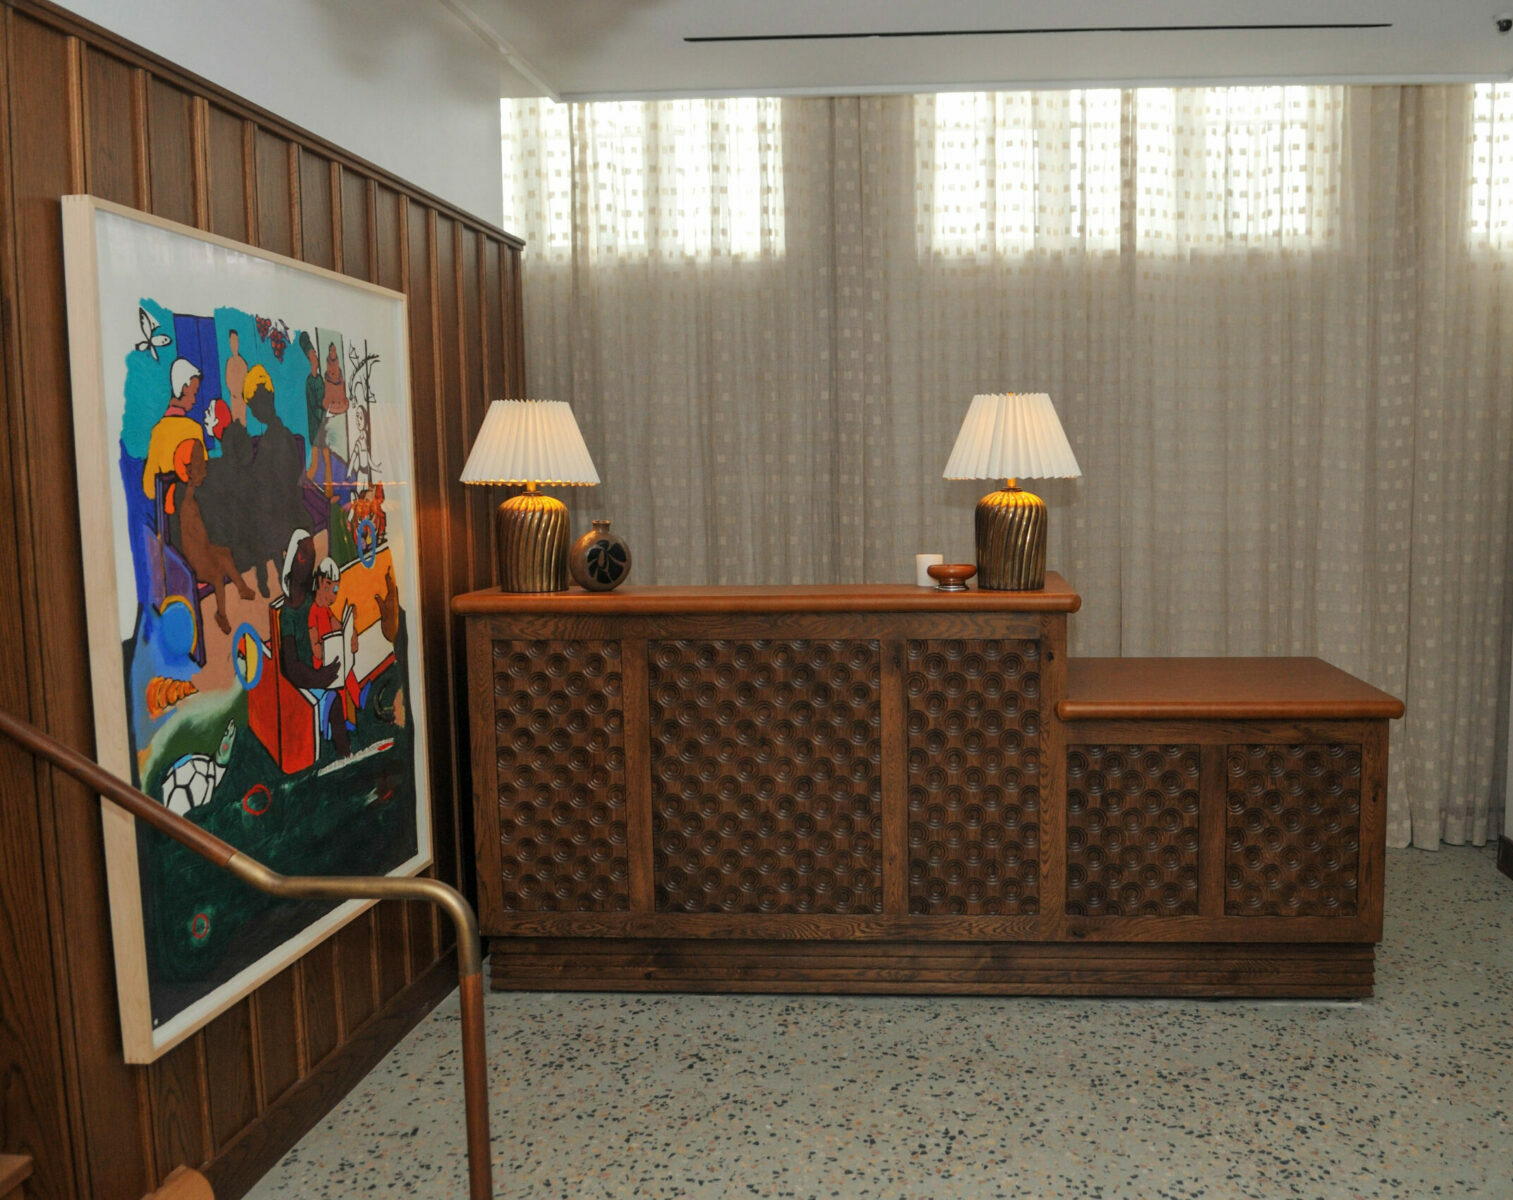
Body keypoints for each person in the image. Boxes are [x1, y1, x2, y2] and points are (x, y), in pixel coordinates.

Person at [169, 439, 254, 634]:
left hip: (204, 547)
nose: (204, 473)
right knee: (217, 576)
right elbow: (186, 538)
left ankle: (241, 588)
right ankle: (221, 614)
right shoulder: (182, 497)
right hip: (194, 557)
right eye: (198, 469)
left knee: (225, 554)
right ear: (188, 471)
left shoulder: (194, 494)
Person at [142, 357, 204, 508]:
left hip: (169, 511)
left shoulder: (158, 431)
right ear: (184, 388)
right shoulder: (194, 429)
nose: (195, 400)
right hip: (193, 508)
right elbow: (203, 477)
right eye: (194, 393)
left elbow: (149, 488)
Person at [300, 331, 333, 498]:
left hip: (323, 426)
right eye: (314, 355)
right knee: (314, 463)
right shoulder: (310, 381)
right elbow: (313, 405)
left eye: (316, 355)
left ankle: (328, 493)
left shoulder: (319, 379)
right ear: (310, 359)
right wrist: (323, 408)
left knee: (327, 461)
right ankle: (303, 492)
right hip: (315, 427)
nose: (316, 358)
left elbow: (324, 400)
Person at [223, 329, 248, 426]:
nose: (234, 344)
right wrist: (234, 393)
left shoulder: (242, 362)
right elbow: (228, 380)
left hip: (241, 399)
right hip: (234, 398)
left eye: (235, 341)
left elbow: (245, 380)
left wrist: (240, 393)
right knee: (235, 420)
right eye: (232, 341)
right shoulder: (229, 362)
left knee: (242, 421)